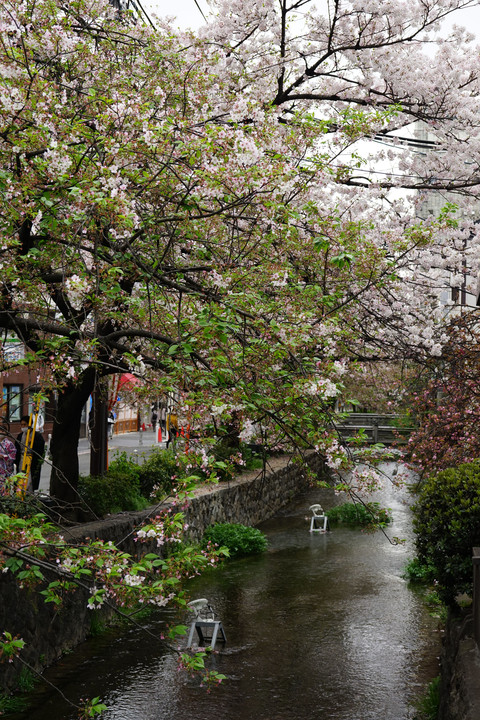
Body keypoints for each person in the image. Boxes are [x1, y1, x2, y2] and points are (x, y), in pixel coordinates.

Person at [15, 415, 46, 493]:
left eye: (24, 425)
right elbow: (17, 448)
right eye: (21, 425)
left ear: (30, 424)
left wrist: (32, 442)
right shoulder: (20, 436)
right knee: (21, 478)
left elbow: (40, 448)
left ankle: (29, 494)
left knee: (30, 480)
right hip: (22, 460)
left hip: (32, 460)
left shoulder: (37, 435)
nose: (23, 427)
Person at [0, 421, 17, 495]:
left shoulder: (9, 443)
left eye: (2, 431)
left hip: (5, 469)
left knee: (5, 487)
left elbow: (13, 455)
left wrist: (4, 456)